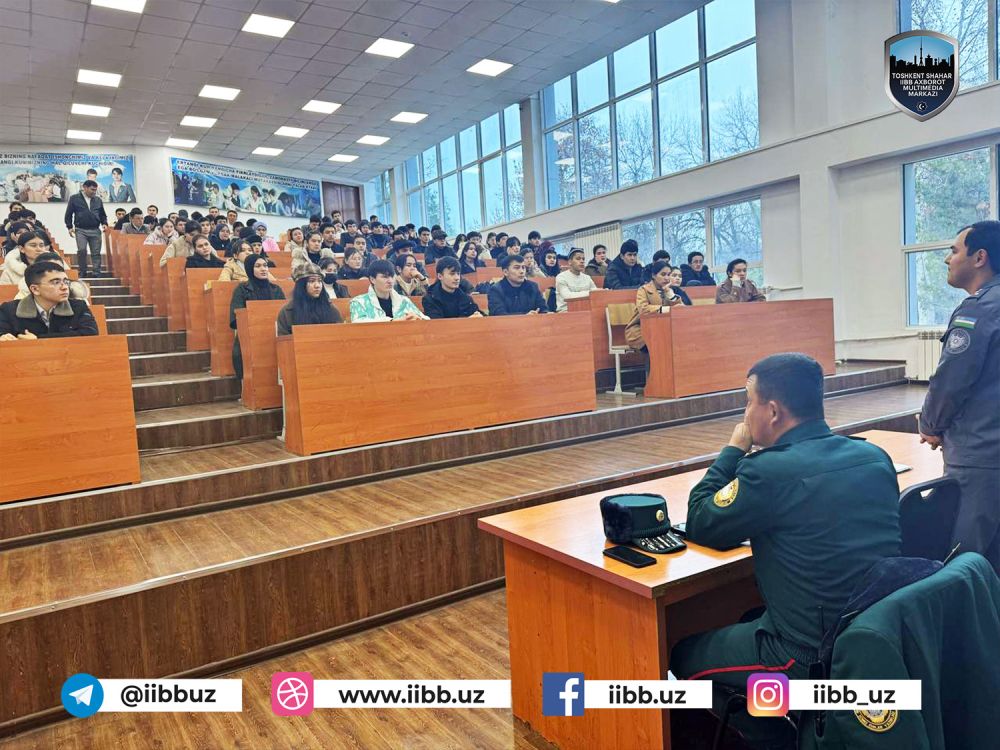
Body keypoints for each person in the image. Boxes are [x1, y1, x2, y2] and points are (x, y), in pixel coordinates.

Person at [670, 353, 900, 750]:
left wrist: (733, 451)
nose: (746, 414)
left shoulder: (767, 472)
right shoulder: (873, 457)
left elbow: (701, 521)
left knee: (682, 655)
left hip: (804, 653)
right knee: (748, 616)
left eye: (748, 402)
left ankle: (778, 737)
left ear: (773, 411)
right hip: (873, 634)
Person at [917, 221, 1000, 569]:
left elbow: (951, 382)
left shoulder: (979, 309)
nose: (947, 259)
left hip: (980, 456)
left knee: (965, 565)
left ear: (979, 257)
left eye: (954, 251)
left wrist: (930, 425)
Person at [0, 261, 98, 339]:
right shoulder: (9, 310)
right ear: (35, 289)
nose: (65, 287)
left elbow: (91, 333)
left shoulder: (78, 306)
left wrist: (39, 339)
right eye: (56, 282)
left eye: (66, 281)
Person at [229, 254, 286, 379]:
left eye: (265, 265)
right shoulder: (242, 289)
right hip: (250, 335)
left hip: (273, 334)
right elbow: (235, 318)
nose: (263, 269)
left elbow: (284, 316)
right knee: (241, 355)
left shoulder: (276, 289)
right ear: (250, 268)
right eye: (258, 266)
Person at [623, 260, 684, 350]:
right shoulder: (643, 290)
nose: (667, 278)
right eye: (663, 274)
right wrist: (666, 309)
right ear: (654, 275)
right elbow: (643, 309)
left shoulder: (670, 290)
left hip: (664, 329)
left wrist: (671, 296)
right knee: (659, 340)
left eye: (669, 274)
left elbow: (681, 310)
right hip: (640, 330)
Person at [349, 259, 428, 322]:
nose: (390, 281)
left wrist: (418, 319)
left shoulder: (404, 301)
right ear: (372, 279)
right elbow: (358, 323)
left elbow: (426, 320)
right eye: (385, 277)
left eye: (392, 276)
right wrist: (393, 322)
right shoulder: (359, 302)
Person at [276, 266, 344, 335]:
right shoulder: (287, 312)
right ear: (301, 285)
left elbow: (340, 334)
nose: (317, 285)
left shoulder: (330, 308)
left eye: (320, 281)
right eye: (312, 281)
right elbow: (284, 339)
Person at [64, 179, 108, 277]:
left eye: (95, 190)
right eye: (92, 189)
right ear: (85, 188)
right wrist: (69, 227)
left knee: (96, 252)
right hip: (80, 230)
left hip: (95, 230)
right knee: (82, 251)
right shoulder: (74, 198)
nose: (94, 192)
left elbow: (102, 214)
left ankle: (96, 272)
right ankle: (82, 271)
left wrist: (104, 223)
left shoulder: (98, 200)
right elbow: (68, 214)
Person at [555, 248, 600, 313]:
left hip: (586, 310)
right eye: (578, 259)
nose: (582, 261)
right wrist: (591, 292)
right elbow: (567, 296)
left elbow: (596, 294)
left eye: (583, 259)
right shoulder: (561, 277)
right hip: (566, 312)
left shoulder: (587, 278)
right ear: (570, 262)